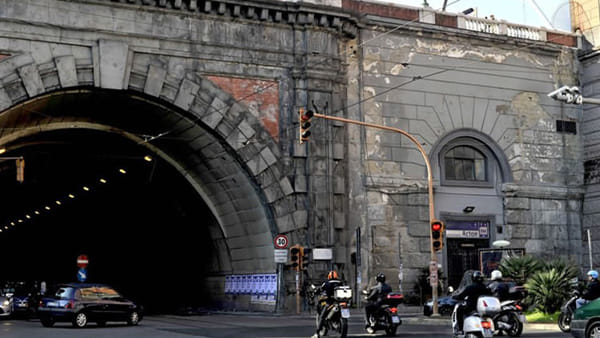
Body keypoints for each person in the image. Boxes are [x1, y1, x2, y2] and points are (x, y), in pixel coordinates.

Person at [312, 271, 343, 338]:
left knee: (322, 317)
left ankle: (317, 333)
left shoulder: (326, 283)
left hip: (330, 302)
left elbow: (319, 290)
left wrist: (315, 292)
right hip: (339, 302)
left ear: (329, 276)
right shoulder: (340, 283)